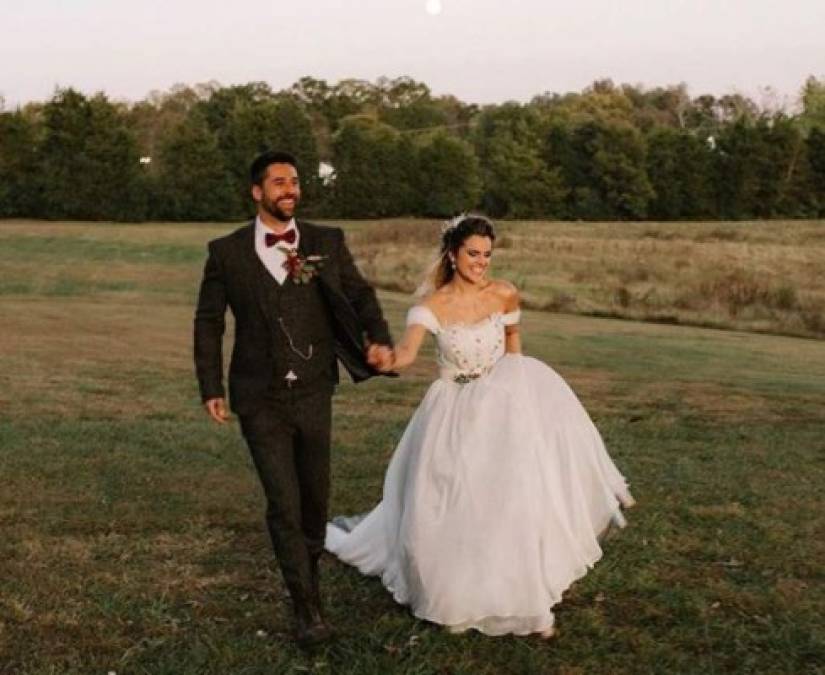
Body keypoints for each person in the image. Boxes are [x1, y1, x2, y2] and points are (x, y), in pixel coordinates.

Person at [327, 214, 635, 637]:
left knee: (512, 498)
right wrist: (385, 360)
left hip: (502, 405)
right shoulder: (431, 307)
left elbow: (513, 343)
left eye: (487, 255)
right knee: (450, 500)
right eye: (473, 253)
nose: (481, 262)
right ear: (453, 254)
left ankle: (525, 594)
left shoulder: (504, 294)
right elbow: (407, 354)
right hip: (451, 410)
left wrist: (519, 393)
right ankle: (454, 593)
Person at [193, 150, 393, 646]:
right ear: (257, 192)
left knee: (314, 500)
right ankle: (308, 608)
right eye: (279, 182)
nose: (291, 189)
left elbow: (362, 296)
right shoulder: (226, 252)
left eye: (296, 181)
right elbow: (209, 322)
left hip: (313, 391)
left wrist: (378, 338)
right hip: (258, 397)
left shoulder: (326, 241)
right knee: (283, 502)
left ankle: (311, 577)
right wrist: (211, 387)